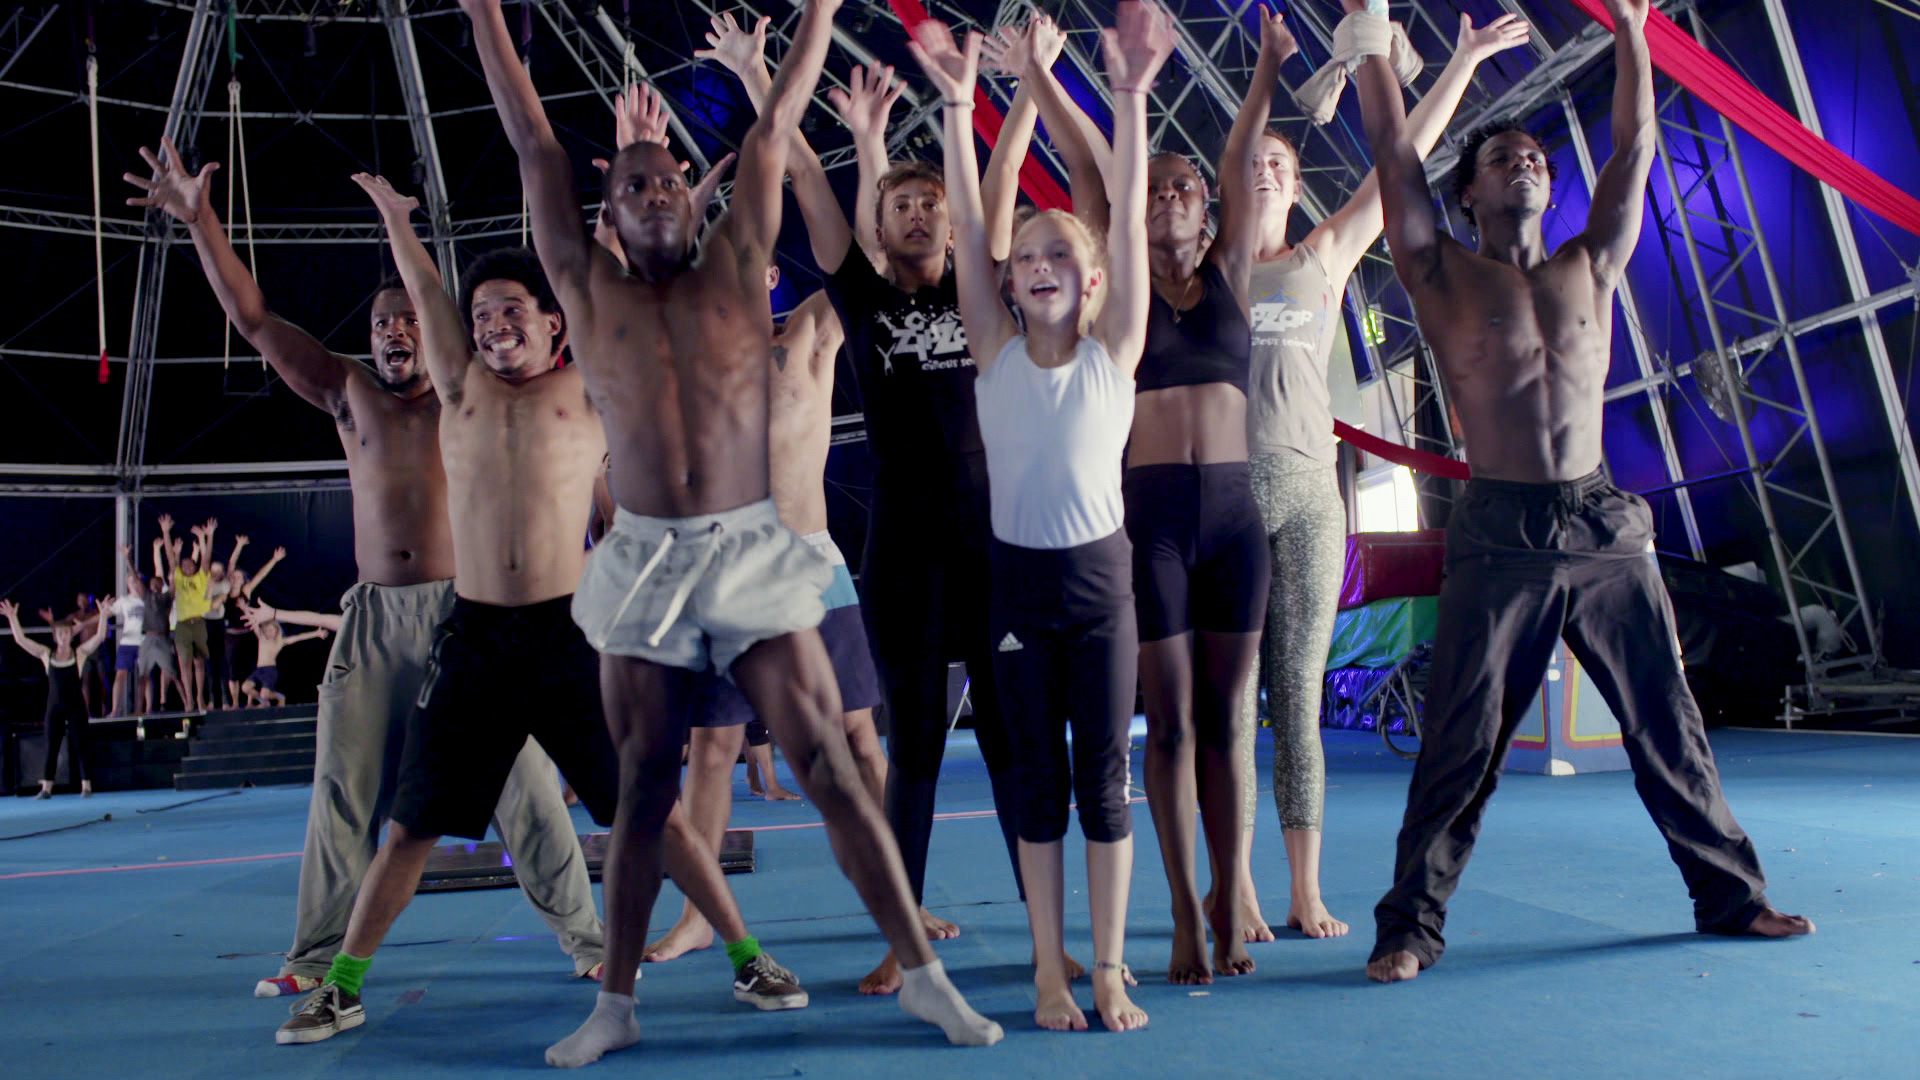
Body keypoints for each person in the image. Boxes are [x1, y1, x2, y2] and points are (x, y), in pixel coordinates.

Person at [466, 0, 1001, 1062]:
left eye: (667, 178)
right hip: (646, 560)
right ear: (606, 215)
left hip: (751, 545)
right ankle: (615, 1004)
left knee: (833, 764)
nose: (655, 191)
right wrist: (486, 11)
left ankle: (923, 978)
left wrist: (822, 13)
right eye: (632, 185)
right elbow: (531, 135)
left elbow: (777, 123)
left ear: (690, 194)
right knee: (643, 790)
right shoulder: (584, 284)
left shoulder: (736, 261)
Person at [1347, 0, 1813, 983]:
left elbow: (1634, 147)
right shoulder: (1437, 271)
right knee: (1463, 739)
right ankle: (1410, 929)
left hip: (1602, 522)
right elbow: (1393, 150)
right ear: (1468, 192)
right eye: (1501, 158)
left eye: (1536, 158)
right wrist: (1369, 32)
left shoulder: (1590, 265)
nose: (1525, 163)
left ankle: (1733, 898)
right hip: (1501, 530)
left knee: (1666, 719)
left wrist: (1634, 30)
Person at [124, 138, 607, 1003]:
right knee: (343, 792)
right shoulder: (347, 394)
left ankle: (587, 938)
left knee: (528, 788)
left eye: (410, 319)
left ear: (439, 329)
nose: (394, 332)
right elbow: (255, 320)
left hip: (472, 613)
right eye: (382, 324)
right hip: (377, 622)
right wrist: (200, 222)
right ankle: (314, 957)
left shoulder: (480, 393)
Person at [773, 17, 1080, 997]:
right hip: (903, 553)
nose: (916, 214)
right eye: (900, 204)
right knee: (912, 753)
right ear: (881, 225)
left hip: (993, 547)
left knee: (1013, 743)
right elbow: (805, 180)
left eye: (930, 205)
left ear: (953, 226)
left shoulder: (982, 290)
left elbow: (1004, 173)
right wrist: (760, 83)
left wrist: (1027, 86)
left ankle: (1048, 938)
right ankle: (903, 943)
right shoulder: (862, 301)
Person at [1216, 6, 1534, 943]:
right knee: (1232, 702)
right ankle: (1234, 887)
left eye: (1281, 161)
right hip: (1229, 497)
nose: (1267, 168)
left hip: (1313, 495)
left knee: (1298, 695)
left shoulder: (1324, 254)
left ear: (1297, 181)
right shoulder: (1210, 268)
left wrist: (1464, 59)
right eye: (1253, 160)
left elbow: (1405, 158)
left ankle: (1304, 889)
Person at [913, 4, 1170, 1031]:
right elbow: (970, 233)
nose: (1040, 260)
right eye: (1026, 254)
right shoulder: (993, 349)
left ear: (1093, 279)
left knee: (1105, 783)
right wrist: (956, 107)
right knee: (1035, 785)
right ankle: (1049, 970)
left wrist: (1131, 95)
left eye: (1061, 248)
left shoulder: (1117, 351)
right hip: (1018, 587)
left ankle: (1105, 967)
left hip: (1103, 588)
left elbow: (1130, 209)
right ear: (1010, 283)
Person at [634, 13, 891, 968]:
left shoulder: (810, 338)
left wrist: (851, 135)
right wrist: (674, 183)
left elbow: (866, 260)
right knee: (710, 748)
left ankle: (897, 901)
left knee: (858, 742)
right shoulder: (692, 354)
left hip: (811, 561)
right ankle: (700, 916)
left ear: (773, 275)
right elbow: (633, 272)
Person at [3, 597, 112, 798]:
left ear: (71, 635)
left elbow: (100, 636)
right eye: (60, 633)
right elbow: (21, 640)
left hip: (76, 706)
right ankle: (46, 788)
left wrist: (103, 615)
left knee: (81, 745)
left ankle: (86, 786)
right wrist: (12, 617)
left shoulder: (79, 653)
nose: (63, 636)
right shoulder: (47, 654)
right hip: (54, 708)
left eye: (67, 633)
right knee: (52, 746)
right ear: (55, 637)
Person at [158, 514, 215, 712]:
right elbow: (170, 557)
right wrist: (166, 532)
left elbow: (206, 559)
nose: (187, 567)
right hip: (181, 625)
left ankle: (199, 698)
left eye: (190, 564)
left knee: (200, 663)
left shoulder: (201, 577)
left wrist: (208, 536)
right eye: (184, 566)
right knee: (184, 664)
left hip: (198, 623)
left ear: (194, 566)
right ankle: (189, 700)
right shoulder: (179, 578)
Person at [240, 617, 332, 708]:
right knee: (245, 687)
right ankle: (264, 702)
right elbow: (254, 624)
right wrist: (245, 609)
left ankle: (280, 697)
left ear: (276, 631)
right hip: (259, 670)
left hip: (270, 671)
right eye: (267, 630)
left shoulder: (280, 642)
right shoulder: (262, 639)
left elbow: (299, 637)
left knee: (265, 694)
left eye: (271, 630)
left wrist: (316, 633)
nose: (269, 632)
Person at [136, 538, 183, 715]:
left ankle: (187, 702)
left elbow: (174, 578)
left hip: (167, 634)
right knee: (144, 674)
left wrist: (176, 558)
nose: (155, 585)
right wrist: (129, 558)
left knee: (172, 672)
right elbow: (143, 579)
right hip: (153, 635)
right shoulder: (149, 596)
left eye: (158, 583)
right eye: (153, 583)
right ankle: (144, 707)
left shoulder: (167, 597)